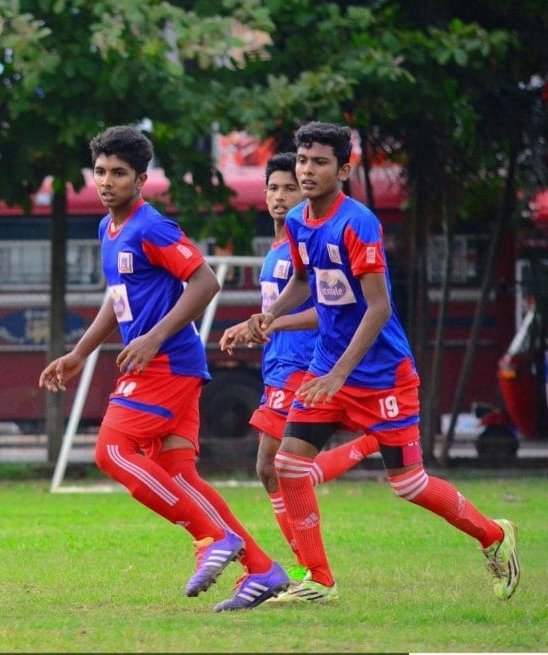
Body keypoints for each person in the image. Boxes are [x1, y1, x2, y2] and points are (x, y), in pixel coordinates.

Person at [246, 121, 520, 603]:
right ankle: (319, 582)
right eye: (303, 160)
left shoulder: (359, 222)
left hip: (381, 374)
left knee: (409, 484)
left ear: (344, 169)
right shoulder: (297, 222)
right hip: (329, 365)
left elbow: (379, 308)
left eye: (319, 163)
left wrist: (338, 374)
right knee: (288, 465)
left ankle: (494, 535)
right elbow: (305, 283)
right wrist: (268, 317)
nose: (307, 171)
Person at [39, 125, 288, 612]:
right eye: (101, 172)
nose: (107, 181)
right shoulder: (107, 229)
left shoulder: (151, 226)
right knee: (179, 474)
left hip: (168, 363)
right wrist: (79, 353)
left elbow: (205, 282)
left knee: (112, 451)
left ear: (141, 179)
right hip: (166, 362)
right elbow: (119, 300)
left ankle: (210, 537)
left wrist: (154, 337)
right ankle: (261, 569)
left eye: (119, 174)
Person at [219, 152, 378, 580]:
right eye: (273, 188)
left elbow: (325, 310)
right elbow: (273, 310)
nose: (280, 196)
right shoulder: (277, 249)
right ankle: (307, 566)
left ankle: (309, 570)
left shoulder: (309, 245)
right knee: (276, 469)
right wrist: (251, 326)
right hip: (277, 362)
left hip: (304, 361)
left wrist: (274, 323)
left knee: (273, 464)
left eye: (290, 188)